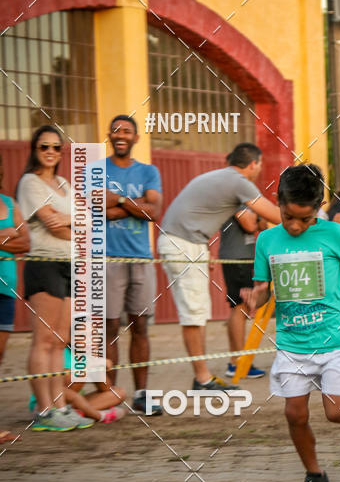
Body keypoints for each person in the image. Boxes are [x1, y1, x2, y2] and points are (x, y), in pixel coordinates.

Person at [242, 164, 340, 482]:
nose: (295, 226)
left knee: (337, 415)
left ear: (318, 209)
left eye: (304, 219)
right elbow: (263, 287)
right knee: (294, 414)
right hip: (294, 342)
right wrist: (256, 298)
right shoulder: (267, 240)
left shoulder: (335, 234)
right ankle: (315, 476)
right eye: (288, 217)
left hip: (337, 338)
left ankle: (338, 379)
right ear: (278, 202)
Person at [159, 143, 281, 392]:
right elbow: (276, 216)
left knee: (199, 312)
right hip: (184, 243)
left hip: (189, 243)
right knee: (194, 313)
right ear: (253, 164)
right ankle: (202, 379)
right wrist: (314, 219)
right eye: (259, 166)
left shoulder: (221, 177)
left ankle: (202, 377)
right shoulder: (238, 181)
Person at [17, 126, 86, 431]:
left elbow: (86, 220)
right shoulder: (30, 183)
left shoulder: (64, 184)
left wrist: (71, 220)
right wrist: (77, 227)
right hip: (44, 263)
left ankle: (60, 406)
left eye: (56, 148)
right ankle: (44, 411)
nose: (50, 152)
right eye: (44, 146)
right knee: (44, 340)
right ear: (35, 149)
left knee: (60, 340)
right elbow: (51, 225)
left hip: (69, 265)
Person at [104, 115, 163, 415]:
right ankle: (110, 396)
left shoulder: (149, 171)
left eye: (127, 131)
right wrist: (135, 204)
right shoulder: (96, 169)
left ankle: (141, 395)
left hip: (141, 258)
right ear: (109, 136)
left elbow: (153, 211)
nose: (121, 135)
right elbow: (95, 205)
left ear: (136, 138)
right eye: (116, 130)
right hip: (107, 258)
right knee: (109, 328)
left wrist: (119, 202)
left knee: (140, 326)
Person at [0, 154, 29, 444]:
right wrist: (7, 234)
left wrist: (10, 236)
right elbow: (15, 239)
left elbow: (26, 242)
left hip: (6, 289)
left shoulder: (9, 204)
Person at [220, 206, 267, 379]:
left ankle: (235, 362)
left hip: (244, 257)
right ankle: (238, 363)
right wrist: (257, 216)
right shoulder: (236, 196)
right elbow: (250, 225)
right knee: (240, 308)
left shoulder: (246, 201)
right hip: (236, 258)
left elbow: (262, 225)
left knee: (239, 308)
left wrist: (256, 217)